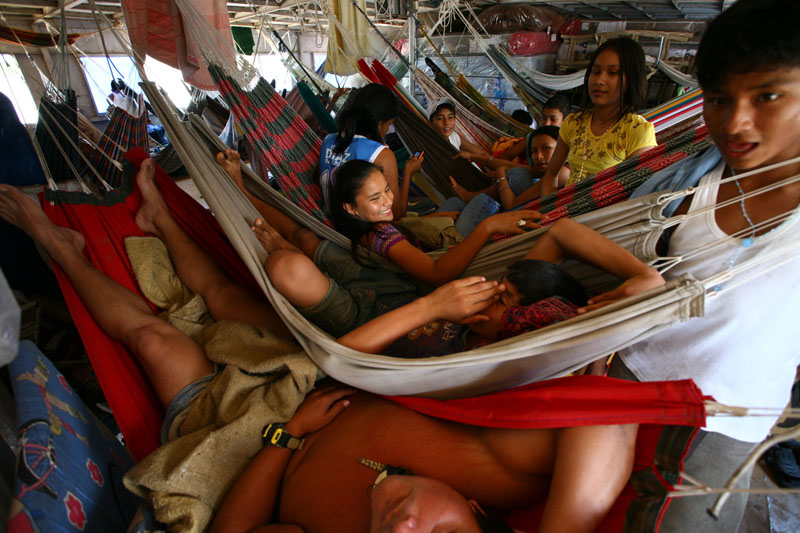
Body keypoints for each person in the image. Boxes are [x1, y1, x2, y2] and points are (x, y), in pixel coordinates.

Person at [0, 163, 656, 533]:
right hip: (318, 368)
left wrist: (285, 439)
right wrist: (613, 309)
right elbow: (608, 405)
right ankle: (165, 221)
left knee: (157, 337)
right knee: (230, 301)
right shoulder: (509, 399)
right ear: (479, 516)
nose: (406, 528)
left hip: (253, 434)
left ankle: (61, 246)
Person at [608, 1, 800, 531]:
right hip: (625, 382)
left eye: (768, 96)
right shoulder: (687, 180)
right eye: (719, 100)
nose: (735, 122)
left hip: (722, 421)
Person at [539, 37, 657, 197]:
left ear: (631, 80)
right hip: (565, 214)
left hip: (606, 219)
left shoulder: (637, 131)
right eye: (595, 72)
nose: (599, 80)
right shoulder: (574, 123)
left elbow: (638, 195)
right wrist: (550, 212)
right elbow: (550, 175)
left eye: (613, 73)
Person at [319, 84, 412, 219]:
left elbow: (317, 177)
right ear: (380, 124)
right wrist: (408, 172)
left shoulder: (328, 140)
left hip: (330, 222)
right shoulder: (381, 155)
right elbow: (397, 214)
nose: (387, 129)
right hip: (363, 232)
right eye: (389, 124)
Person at [448, 126, 570, 212]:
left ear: (562, 149)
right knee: (517, 172)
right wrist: (473, 157)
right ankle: (470, 196)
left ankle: (470, 196)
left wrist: (501, 175)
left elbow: (512, 205)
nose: (538, 156)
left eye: (546, 148)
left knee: (517, 174)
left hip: (524, 215)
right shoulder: (548, 169)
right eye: (534, 151)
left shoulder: (562, 173)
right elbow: (512, 165)